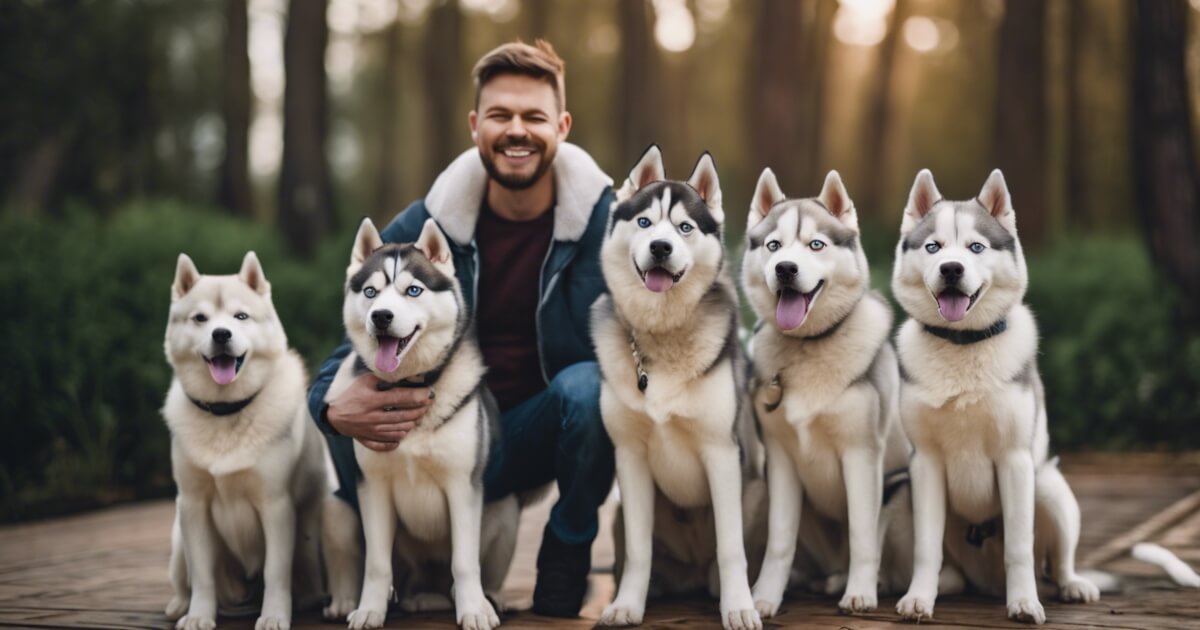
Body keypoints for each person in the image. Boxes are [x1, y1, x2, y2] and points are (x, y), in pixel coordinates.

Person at [307, 39, 615, 618]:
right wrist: (325, 404)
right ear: (475, 125)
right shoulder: (426, 223)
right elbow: (357, 330)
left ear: (563, 126)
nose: (516, 130)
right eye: (500, 115)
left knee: (591, 388)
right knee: (345, 401)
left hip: (525, 436)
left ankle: (568, 551)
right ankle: (375, 565)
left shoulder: (605, 224)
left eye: (534, 117)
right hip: (427, 419)